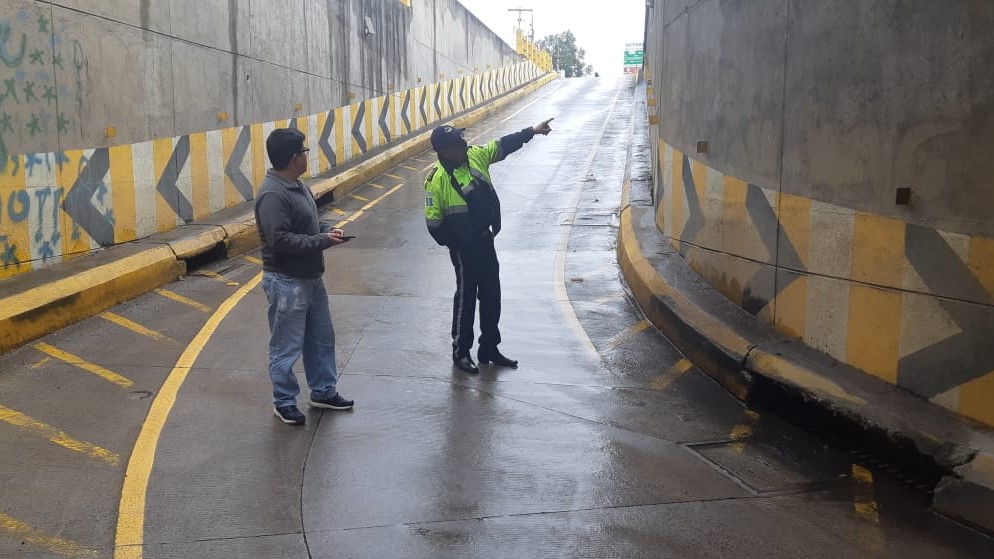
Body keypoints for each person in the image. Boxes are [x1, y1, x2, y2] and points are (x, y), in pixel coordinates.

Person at [424, 119, 553, 374]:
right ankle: (461, 352)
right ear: (443, 151)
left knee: (492, 296)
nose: (463, 143)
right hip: (464, 251)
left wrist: (531, 131)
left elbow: (502, 145)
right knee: (466, 300)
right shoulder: (436, 180)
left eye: (462, 138)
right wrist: (460, 244)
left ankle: (489, 349)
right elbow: (434, 225)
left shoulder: (476, 157)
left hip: (485, 241)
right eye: (456, 143)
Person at [254, 128, 354, 425]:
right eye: (305, 151)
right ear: (294, 158)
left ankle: (323, 391)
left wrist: (325, 232)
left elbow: (305, 226)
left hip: (310, 278)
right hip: (287, 282)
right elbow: (280, 240)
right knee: (286, 346)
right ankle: (283, 401)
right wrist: (322, 242)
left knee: (321, 339)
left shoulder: (296, 185)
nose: (307, 156)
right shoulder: (273, 193)